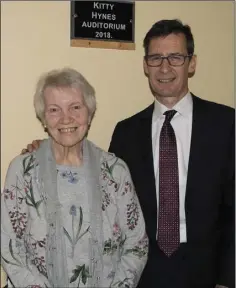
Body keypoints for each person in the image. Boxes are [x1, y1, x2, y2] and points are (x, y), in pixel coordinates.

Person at [21, 19, 235, 288]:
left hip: (209, 271)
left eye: (175, 57)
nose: (165, 67)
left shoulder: (226, 124)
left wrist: (228, 279)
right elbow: (102, 189)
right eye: (156, 58)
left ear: (192, 63)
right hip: (142, 271)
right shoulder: (126, 131)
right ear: (145, 65)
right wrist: (46, 151)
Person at [1, 68, 148, 288]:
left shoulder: (116, 171)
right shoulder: (22, 172)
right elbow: (10, 249)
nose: (66, 118)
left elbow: (137, 244)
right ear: (43, 117)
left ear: (89, 113)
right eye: (54, 109)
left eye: (75, 107)